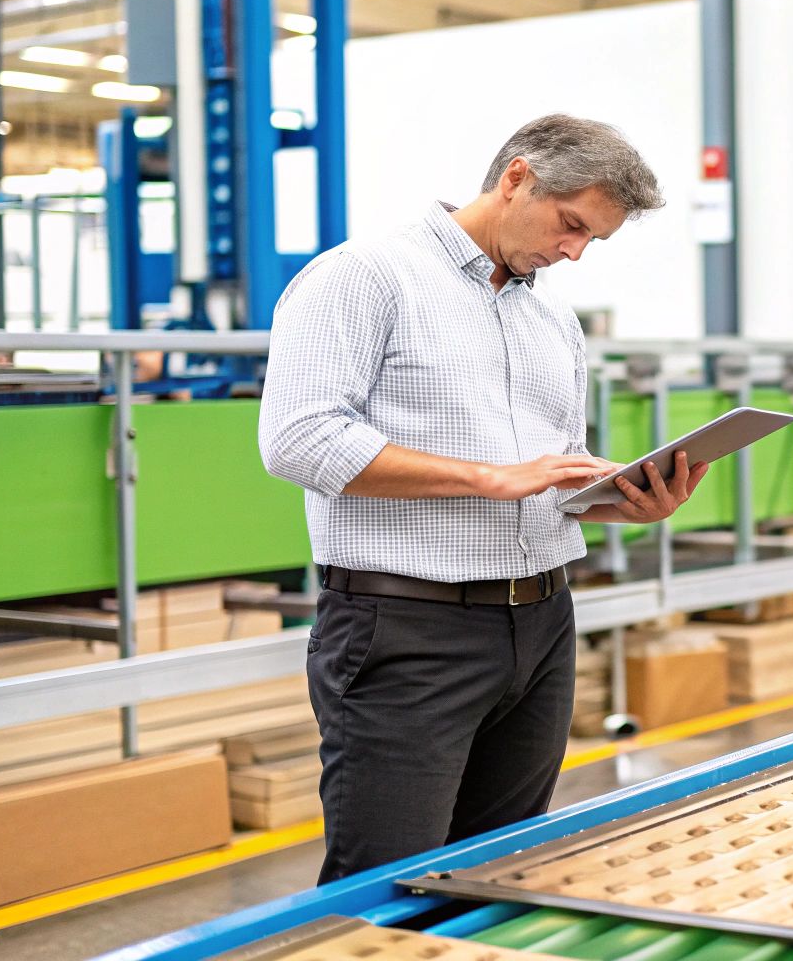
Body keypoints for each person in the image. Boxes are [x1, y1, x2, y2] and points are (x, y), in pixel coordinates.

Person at [259, 114, 706, 884]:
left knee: (501, 873)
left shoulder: (552, 320)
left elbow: (549, 479)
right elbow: (298, 439)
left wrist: (620, 501)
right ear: (516, 178)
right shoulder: (364, 276)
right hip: (407, 630)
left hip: (541, 626)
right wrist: (483, 476)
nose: (572, 252)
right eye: (570, 225)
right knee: (388, 882)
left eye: (591, 241)